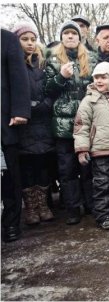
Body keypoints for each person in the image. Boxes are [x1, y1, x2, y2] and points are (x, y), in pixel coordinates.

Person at [44, 20, 97, 225]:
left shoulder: (91, 58)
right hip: (62, 125)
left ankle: (91, 205)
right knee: (67, 170)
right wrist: (61, 77)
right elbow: (47, 90)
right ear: (62, 38)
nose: (70, 36)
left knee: (88, 167)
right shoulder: (52, 60)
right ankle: (73, 208)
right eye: (66, 33)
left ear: (79, 37)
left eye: (73, 33)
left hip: (86, 122)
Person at [73, 62, 109, 230]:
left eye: (103, 77)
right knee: (102, 183)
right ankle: (104, 215)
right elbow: (81, 126)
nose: (99, 81)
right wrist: (82, 149)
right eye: (96, 77)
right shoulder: (89, 100)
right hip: (99, 150)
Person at [12, 21, 55, 225]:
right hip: (23, 125)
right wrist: (26, 108)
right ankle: (30, 208)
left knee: (43, 165)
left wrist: (43, 105)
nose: (30, 43)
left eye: (33, 39)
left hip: (43, 123)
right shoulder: (11, 64)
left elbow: (50, 91)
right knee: (27, 166)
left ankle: (43, 204)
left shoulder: (43, 64)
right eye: (25, 39)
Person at [1, 29, 31, 242]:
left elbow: (19, 76)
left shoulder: (7, 39)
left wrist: (20, 110)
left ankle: (11, 224)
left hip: (4, 121)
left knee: (9, 175)